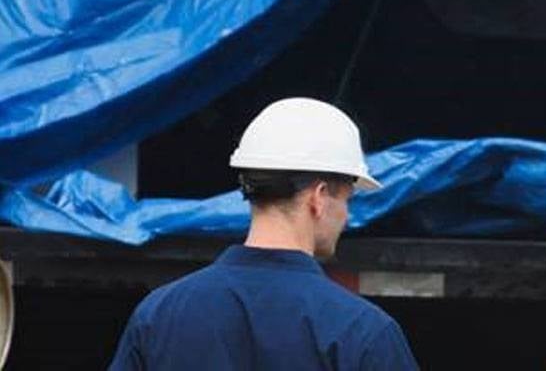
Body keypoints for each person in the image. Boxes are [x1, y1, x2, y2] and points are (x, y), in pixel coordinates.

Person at [110, 97, 419, 370]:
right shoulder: (362, 331)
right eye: (347, 199)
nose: (347, 216)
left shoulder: (159, 314)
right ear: (319, 197)